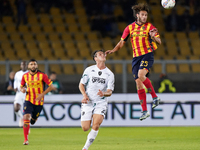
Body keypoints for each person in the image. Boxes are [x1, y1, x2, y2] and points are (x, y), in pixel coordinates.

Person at [105, 3, 161, 121]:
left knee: (141, 75)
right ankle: (144, 111)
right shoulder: (129, 28)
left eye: (146, 15)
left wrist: (153, 37)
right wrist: (113, 50)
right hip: (136, 58)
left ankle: (155, 97)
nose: (145, 17)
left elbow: (159, 41)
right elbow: (121, 43)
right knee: (138, 83)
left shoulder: (150, 27)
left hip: (147, 54)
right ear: (137, 15)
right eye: (142, 14)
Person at [79, 50, 115, 150]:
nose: (103, 55)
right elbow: (81, 84)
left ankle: (85, 148)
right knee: (85, 128)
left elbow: (110, 92)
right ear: (95, 58)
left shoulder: (109, 74)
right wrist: (84, 95)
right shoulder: (89, 70)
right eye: (100, 54)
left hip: (101, 102)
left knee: (96, 124)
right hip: (88, 101)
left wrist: (104, 93)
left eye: (103, 54)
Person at [20, 59, 54, 145]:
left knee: (33, 121)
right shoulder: (25, 76)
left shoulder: (42, 75)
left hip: (39, 102)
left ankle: (34, 119)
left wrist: (42, 94)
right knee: (26, 117)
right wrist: (22, 89)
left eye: (34, 64)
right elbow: (21, 86)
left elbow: (51, 86)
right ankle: (25, 139)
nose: (33, 66)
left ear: (37, 66)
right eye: (31, 64)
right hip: (28, 99)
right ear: (28, 66)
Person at [14, 61, 28, 127]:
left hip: (27, 93)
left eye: (25, 65)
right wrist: (15, 87)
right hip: (19, 93)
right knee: (16, 108)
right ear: (20, 66)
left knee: (27, 111)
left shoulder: (30, 73)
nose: (24, 66)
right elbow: (15, 82)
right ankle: (21, 118)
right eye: (22, 65)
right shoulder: (17, 74)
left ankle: (27, 127)